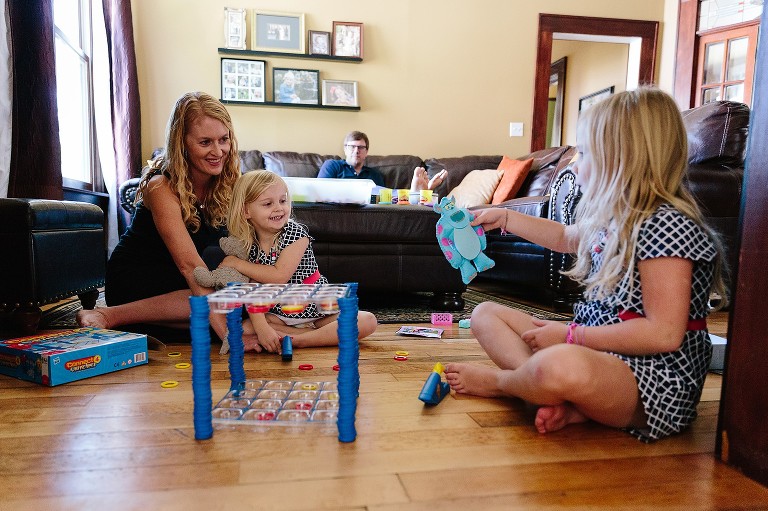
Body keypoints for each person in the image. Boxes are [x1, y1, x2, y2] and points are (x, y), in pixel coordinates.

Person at [444, 87, 727, 443]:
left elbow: (663, 335)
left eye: (587, 153)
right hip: (594, 349)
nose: (576, 164)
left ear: (625, 159)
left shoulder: (667, 225)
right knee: (486, 314)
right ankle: (553, 396)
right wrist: (504, 217)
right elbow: (566, 237)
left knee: (560, 364)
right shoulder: (615, 217)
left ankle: (507, 385)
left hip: (650, 382)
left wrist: (570, 336)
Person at [77, 91, 247, 345]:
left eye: (224, 140)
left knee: (243, 293)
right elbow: (189, 266)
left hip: (184, 284)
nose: (218, 151)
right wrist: (227, 335)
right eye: (205, 142)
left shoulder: (226, 185)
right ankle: (108, 315)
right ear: (182, 144)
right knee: (230, 302)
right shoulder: (160, 186)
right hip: (140, 281)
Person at [219, 170, 378, 352]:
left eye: (283, 200)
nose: (279, 208)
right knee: (240, 329)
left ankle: (299, 340)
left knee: (366, 321)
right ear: (246, 211)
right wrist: (262, 327)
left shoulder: (295, 233)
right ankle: (290, 332)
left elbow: (279, 275)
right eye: (268, 204)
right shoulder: (249, 243)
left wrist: (237, 264)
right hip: (279, 313)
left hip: (316, 309)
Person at [317, 131, 447, 191]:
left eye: (361, 147)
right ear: (345, 149)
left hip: (367, 211)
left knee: (391, 196)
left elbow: (384, 201)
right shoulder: (332, 165)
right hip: (339, 208)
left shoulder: (374, 175)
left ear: (366, 152)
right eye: (352, 146)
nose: (356, 150)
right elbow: (319, 192)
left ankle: (421, 193)